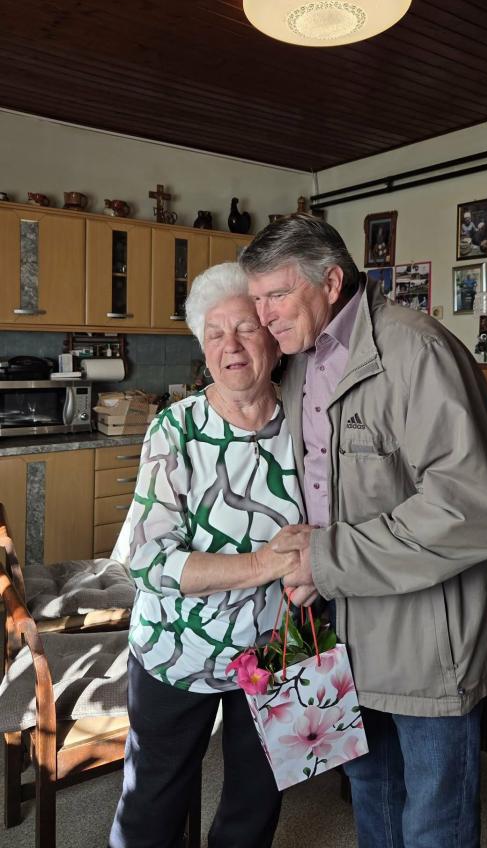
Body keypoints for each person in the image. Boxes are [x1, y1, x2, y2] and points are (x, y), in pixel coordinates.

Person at [240, 214, 487, 848]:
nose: (264, 315)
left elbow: (469, 510)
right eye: (257, 298)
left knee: (435, 818)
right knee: (372, 793)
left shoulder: (418, 350)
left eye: (276, 294)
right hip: (343, 618)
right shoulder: (300, 361)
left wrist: (324, 559)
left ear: (331, 282)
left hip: (426, 634)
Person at [109, 262, 305, 848]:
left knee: (256, 801)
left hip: (277, 647)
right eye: (215, 333)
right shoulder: (176, 429)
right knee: (153, 800)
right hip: (179, 646)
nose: (231, 346)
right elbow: (148, 561)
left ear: (273, 337)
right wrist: (262, 564)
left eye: (245, 328)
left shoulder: (307, 423)